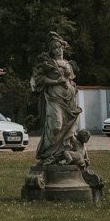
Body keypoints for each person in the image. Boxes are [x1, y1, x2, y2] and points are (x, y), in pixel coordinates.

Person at [31, 32, 82, 165]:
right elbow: (39, 79)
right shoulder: (49, 63)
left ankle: (62, 155)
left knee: (69, 131)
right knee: (56, 125)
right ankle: (47, 152)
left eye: (59, 47)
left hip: (69, 100)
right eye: (54, 48)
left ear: (63, 48)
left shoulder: (68, 64)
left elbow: (71, 81)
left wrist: (72, 89)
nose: (57, 50)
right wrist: (56, 81)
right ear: (51, 51)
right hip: (54, 99)